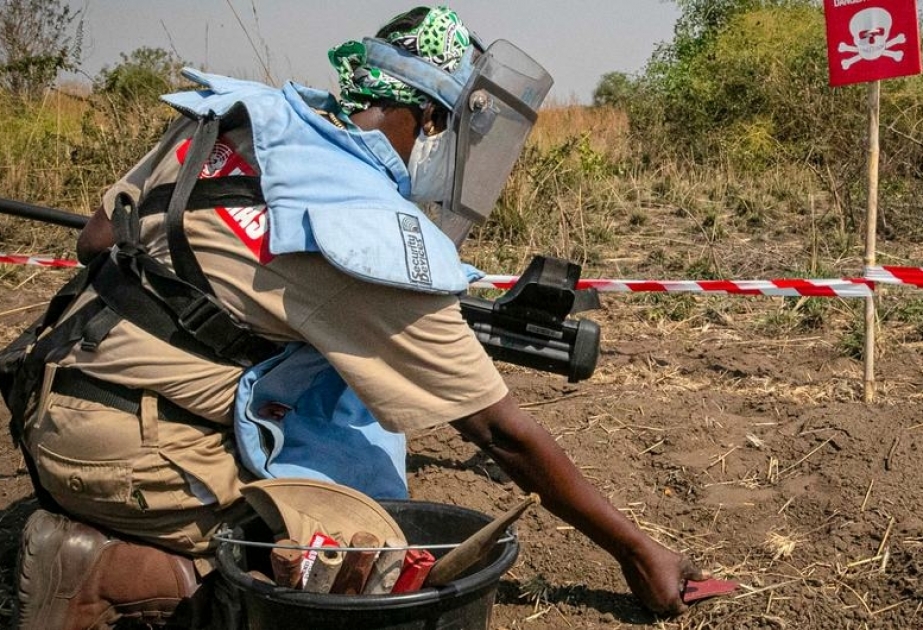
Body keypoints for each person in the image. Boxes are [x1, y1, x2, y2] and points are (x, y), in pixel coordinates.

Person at [14, 6, 706, 629]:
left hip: (46, 395)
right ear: (434, 125)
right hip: (124, 458)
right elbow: (502, 433)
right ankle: (117, 577)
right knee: (360, 568)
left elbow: (96, 241)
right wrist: (635, 549)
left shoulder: (237, 120)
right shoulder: (368, 235)